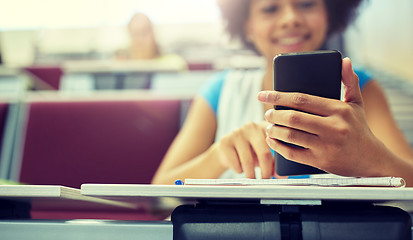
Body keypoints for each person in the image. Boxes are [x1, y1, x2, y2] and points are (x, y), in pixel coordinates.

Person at [151, 0, 413, 186]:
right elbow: (158, 199)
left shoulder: (362, 89)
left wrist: (369, 157)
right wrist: (219, 155)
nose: (291, 19)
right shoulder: (219, 91)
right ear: (247, 26)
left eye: (307, 4)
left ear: (329, 13)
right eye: (270, 8)